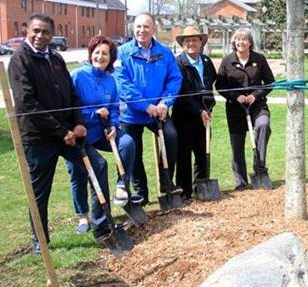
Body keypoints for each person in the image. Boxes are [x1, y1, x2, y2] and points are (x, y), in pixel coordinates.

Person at [8, 14, 112, 254]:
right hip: (39, 138)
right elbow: (27, 104)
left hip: (69, 135)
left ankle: (101, 225)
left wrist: (77, 124)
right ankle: (40, 241)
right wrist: (61, 130)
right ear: (27, 31)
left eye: (45, 32)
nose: (40, 36)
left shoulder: (56, 59)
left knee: (98, 165)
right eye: (36, 31)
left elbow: (72, 96)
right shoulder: (20, 60)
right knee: (40, 191)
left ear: (52, 35)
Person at [65, 35, 141, 234]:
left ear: (111, 57)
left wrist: (114, 124)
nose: (100, 56)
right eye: (97, 52)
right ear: (90, 54)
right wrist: (92, 113)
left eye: (105, 53)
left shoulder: (110, 80)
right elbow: (69, 108)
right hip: (79, 135)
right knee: (79, 173)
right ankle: (83, 215)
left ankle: (121, 187)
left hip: (101, 132)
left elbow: (114, 107)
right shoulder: (78, 76)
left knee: (127, 143)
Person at [115, 13, 183, 204]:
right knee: (133, 150)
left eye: (146, 27)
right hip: (131, 113)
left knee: (170, 136)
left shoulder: (165, 52)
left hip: (158, 112)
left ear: (154, 29)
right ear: (132, 28)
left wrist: (164, 103)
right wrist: (145, 106)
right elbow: (122, 84)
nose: (141, 30)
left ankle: (166, 181)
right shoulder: (122, 53)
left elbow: (174, 78)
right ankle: (140, 193)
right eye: (138, 27)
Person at [216, 28, 275, 190]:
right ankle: (241, 181)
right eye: (237, 39)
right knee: (237, 145)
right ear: (234, 42)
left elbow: (270, 82)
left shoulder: (259, 59)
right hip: (235, 109)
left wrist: (255, 95)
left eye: (244, 39)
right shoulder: (227, 61)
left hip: (257, 105)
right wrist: (236, 96)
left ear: (250, 42)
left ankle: (260, 167)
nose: (240, 42)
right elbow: (220, 85)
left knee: (263, 125)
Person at [172, 26, 217, 199]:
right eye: (187, 40)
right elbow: (181, 93)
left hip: (204, 116)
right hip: (184, 116)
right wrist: (198, 110)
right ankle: (185, 192)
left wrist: (208, 107)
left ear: (201, 43)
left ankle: (201, 188)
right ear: (183, 44)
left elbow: (209, 86)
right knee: (183, 155)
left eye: (195, 40)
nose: (191, 43)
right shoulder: (178, 63)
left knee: (203, 153)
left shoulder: (206, 62)